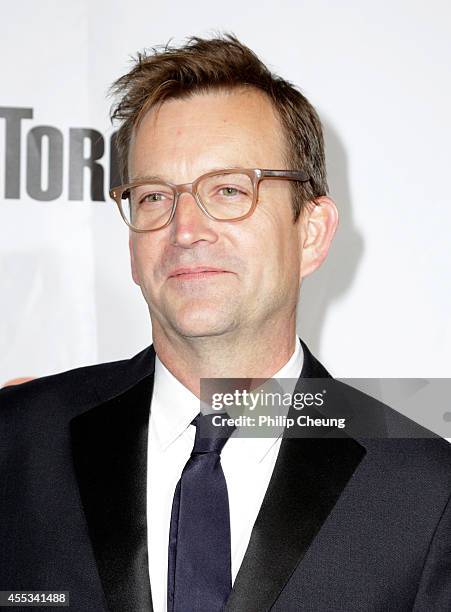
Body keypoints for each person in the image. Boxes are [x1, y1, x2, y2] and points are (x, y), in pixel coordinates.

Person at [1, 34, 450, 612]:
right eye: (155, 197)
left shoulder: (423, 487)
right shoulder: (19, 442)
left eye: (230, 190)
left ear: (311, 232)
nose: (185, 228)